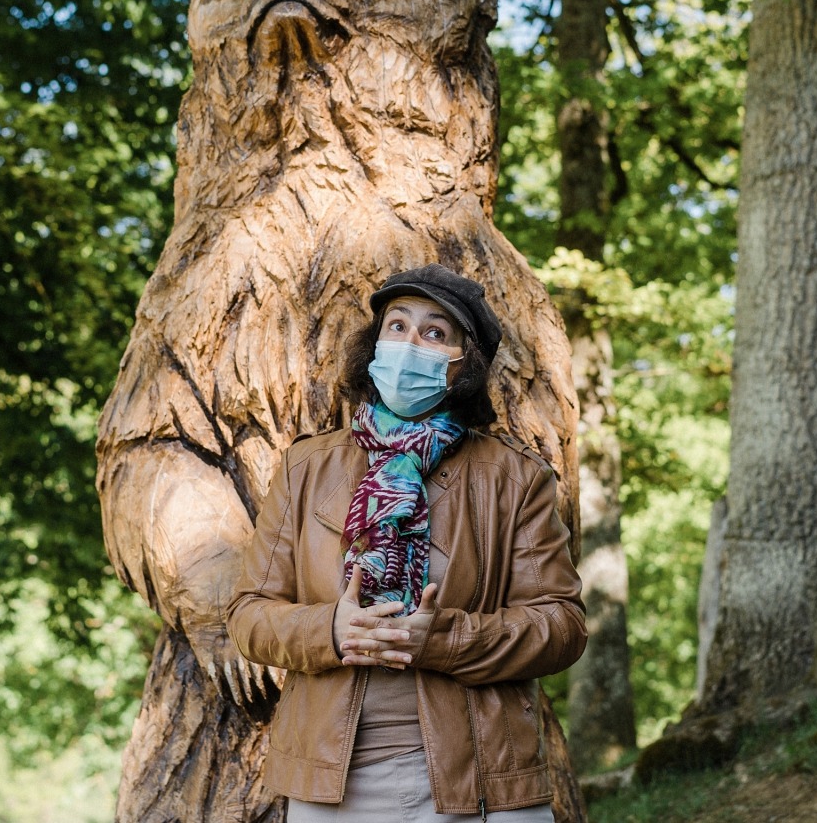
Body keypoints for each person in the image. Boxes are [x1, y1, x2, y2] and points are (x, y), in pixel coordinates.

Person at [227, 263, 587, 822]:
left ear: (463, 366)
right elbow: (249, 615)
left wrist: (443, 639)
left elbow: (561, 624)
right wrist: (331, 628)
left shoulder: (514, 478)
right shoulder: (305, 468)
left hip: (483, 775)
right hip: (332, 785)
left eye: (435, 333)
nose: (409, 342)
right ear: (375, 344)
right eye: (397, 325)